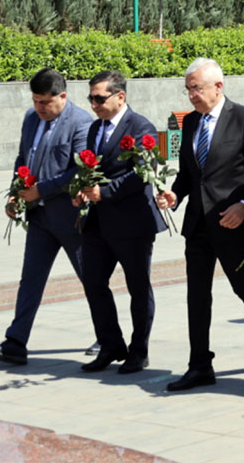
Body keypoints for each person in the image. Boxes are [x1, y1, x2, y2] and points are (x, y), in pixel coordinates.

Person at [156, 58, 244, 392]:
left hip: (235, 222)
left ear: (218, 86)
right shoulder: (190, 121)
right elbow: (190, 173)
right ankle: (199, 365)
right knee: (196, 294)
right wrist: (175, 194)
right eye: (188, 89)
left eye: (196, 88)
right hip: (198, 224)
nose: (192, 95)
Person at [0, 68, 95, 366]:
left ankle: (109, 336)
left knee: (91, 278)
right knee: (30, 279)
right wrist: (16, 192)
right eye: (35, 101)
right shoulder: (31, 119)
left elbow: (79, 170)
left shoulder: (81, 122)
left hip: (70, 217)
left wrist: (40, 190)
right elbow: (23, 158)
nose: (40, 107)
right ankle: (15, 343)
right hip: (39, 217)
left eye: (45, 102)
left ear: (63, 96)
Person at [74, 70, 166, 374]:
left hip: (132, 223)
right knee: (93, 282)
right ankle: (111, 344)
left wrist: (105, 192)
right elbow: (89, 169)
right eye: (91, 98)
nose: (94, 105)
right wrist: (81, 191)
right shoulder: (94, 128)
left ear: (120, 96)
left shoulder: (140, 127)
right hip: (98, 223)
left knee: (137, 287)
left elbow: (142, 174)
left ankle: (139, 351)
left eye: (99, 99)